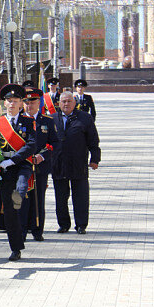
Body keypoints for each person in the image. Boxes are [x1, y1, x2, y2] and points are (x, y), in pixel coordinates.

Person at [0, 84, 36, 261]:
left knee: (20, 188)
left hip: (21, 164)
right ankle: (16, 248)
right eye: (9, 101)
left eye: (15, 101)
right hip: (4, 167)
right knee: (10, 211)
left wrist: (14, 159)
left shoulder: (28, 122)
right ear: (4, 104)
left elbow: (32, 144)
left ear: (21, 103)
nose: (12, 104)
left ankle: (20, 196)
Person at [52, 91, 100, 234]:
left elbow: (93, 140)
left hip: (78, 163)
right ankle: (63, 224)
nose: (66, 104)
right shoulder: (51, 119)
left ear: (75, 103)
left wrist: (95, 159)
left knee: (81, 196)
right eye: (63, 102)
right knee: (60, 197)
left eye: (69, 101)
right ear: (59, 104)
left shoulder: (85, 118)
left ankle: (81, 225)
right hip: (58, 164)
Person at [19, 88, 60, 241]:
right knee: (22, 199)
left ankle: (37, 230)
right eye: (27, 102)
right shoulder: (18, 120)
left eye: (33, 102)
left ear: (39, 103)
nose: (29, 105)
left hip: (40, 167)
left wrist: (43, 156)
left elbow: (55, 143)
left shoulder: (47, 121)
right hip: (22, 166)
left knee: (38, 199)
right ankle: (21, 231)